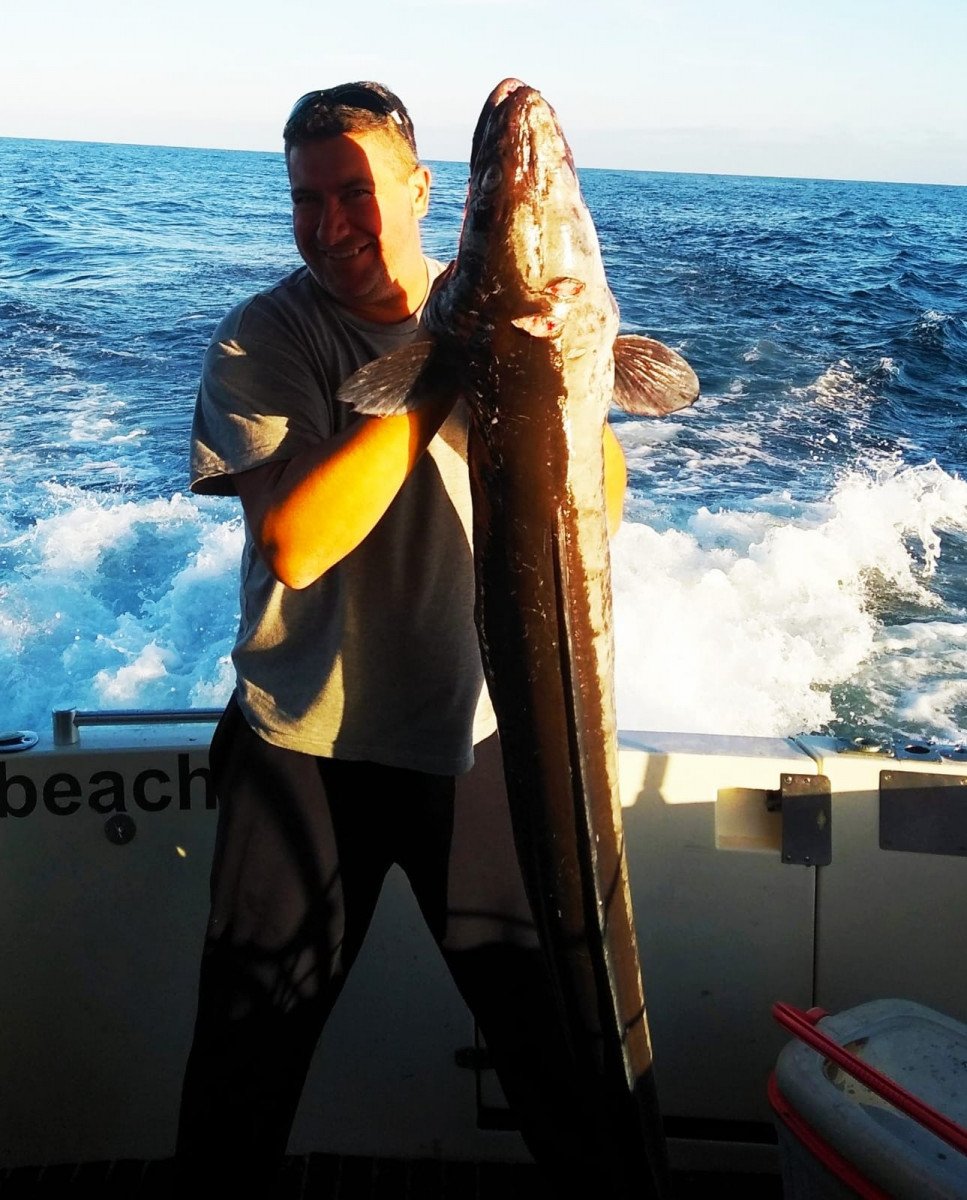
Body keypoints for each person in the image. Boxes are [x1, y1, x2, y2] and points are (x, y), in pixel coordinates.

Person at [175, 81, 628, 1194]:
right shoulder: (266, 335)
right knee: (242, 1065)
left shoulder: (515, 318)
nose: (330, 224)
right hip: (306, 741)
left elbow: (601, 505)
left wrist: (561, 378)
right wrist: (452, 357)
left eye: (356, 193)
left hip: (474, 739)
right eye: (306, 198)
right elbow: (295, 545)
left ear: (425, 193)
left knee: (558, 1054)